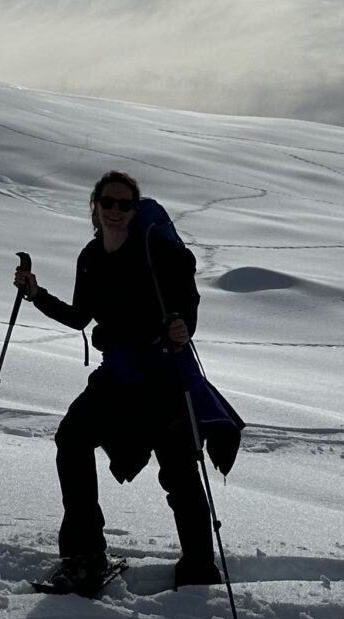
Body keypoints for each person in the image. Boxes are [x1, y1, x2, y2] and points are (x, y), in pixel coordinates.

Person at [15, 169, 219, 592]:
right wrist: (36, 294)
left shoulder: (153, 252)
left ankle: (199, 569)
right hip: (116, 375)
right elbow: (79, 316)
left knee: (180, 472)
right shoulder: (90, 258)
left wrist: (183, 325)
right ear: (95, 205)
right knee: (71, 438)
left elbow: (185, 299)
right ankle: (85, 556)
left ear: (135, 208)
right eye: (108, 202)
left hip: (161, 376)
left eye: (125, 204)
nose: (115, 211)